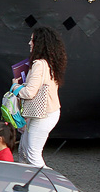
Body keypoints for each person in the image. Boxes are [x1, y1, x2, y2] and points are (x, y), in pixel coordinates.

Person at [15, 26, 65, 167]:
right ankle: (27, 180)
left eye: (32, 40)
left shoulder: (39, 64)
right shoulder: (49, 63)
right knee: (24, 150)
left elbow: (30, 92)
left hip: (42, 115)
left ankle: (47, 183)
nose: (29, 43)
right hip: (44, 113)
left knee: (32, 154)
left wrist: (15, 87)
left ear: (40, 43)